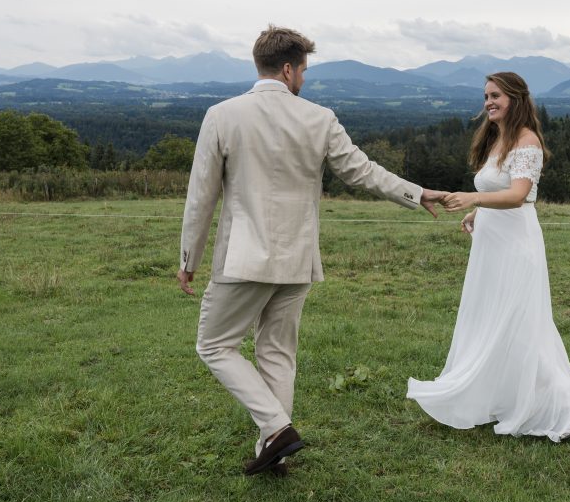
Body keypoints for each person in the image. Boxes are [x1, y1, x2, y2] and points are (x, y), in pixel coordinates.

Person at [177, 26, 444, 477]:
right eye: (303, 70)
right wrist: (417, 193)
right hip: (298, 259)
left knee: (214, 344)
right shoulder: (319, 118)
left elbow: (200, 196)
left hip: (243, 258)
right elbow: (364, 173)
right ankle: (274, 446)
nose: (304, 79)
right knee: (277, 352)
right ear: (287, 69)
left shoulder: (222, 115)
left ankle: (276, 429)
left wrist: (189, 260)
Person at [407, 71, 570, 441]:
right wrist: (479, 212)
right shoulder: (499, 139)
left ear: (516, 99)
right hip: (491, 243)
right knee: (493, 318)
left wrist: (473, 198)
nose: (489, 102)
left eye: (496, 96)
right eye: (486, 96)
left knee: (522, 322)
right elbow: (499, 189)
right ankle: (503, 395)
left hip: (516, 246)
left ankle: (558, 405)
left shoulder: (526, 141)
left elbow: (520, 194)